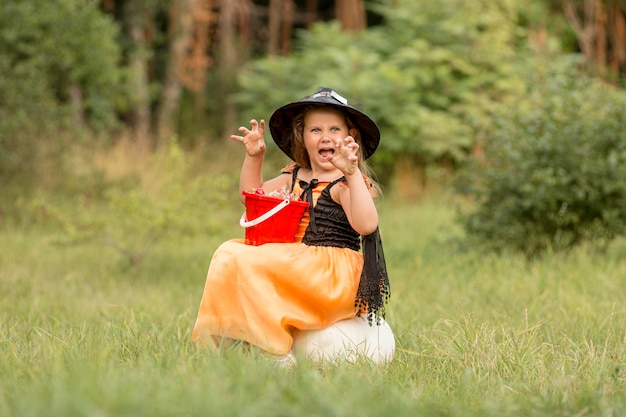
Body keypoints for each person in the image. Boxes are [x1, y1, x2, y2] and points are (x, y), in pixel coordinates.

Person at [191, 87, 392, 364]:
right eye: (315, 130)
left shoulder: (345, 183)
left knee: (256, 263)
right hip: (298, 264)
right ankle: (232, 343)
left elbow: (367, 225)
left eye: (334, 129)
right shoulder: (295, 176)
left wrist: (352, 171)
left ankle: (275, 354)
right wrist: (254, 158)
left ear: (350, 137)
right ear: (303, 136)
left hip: (331, 272)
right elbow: (252, 197)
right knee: (228, 252)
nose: (325, 137)